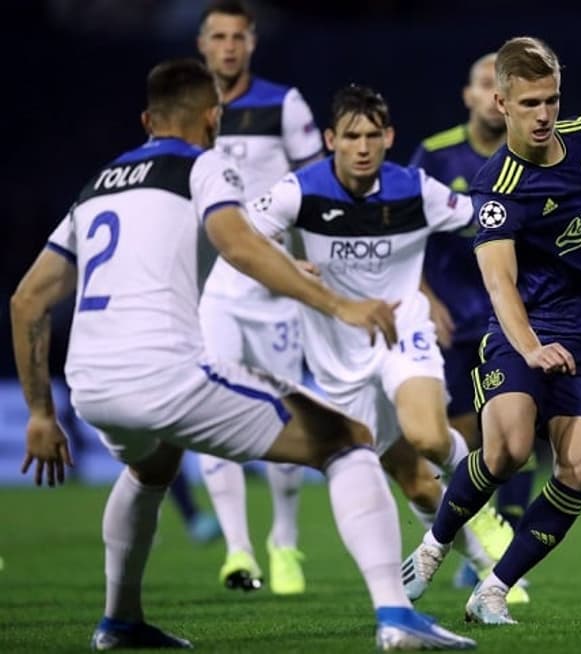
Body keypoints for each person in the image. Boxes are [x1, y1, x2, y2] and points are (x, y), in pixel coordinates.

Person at [10, 58, 474, 651]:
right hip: (168, 375)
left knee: (150, 469)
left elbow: (27, 301)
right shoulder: (207, 165)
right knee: (349, 439)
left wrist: (41, 413)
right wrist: (340, 305)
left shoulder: (100, 183)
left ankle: (120, 621)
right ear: (213, 117)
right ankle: (396, 616)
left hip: (92, 385)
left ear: (147, 120)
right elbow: (238, 245)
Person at [401, 36, 581, 625]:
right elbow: (500, 284)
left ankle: (494, 588)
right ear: (502, 101)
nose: (544, 115)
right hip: (524, 331)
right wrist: (532, 348)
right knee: (508, 449)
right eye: (531, 103)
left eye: (552, 101)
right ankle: (436, 543)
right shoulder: (496, 187)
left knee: (579, 468)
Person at [248, 83, 522, 599]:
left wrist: (554, 227)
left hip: (404, 332)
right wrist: (286, 262)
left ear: (389, 137)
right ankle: (487, 563)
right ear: (331, 139)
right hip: (337, 354)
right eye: (352, 136)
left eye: (374, 135)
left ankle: (483, 514)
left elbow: (485, 219)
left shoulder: (414, 188)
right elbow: (241, 236)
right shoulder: (297, 191)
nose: (363, 146)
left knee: (430, 437)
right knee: (416, 482)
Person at [195, 0, 324, 595]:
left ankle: (285, 540)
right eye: (217, 36)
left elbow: (320, 190)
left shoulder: (283, 103)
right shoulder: (187, 109)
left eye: (236, 37)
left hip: (277, 289)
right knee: (212, 412)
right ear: (202, 44)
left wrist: (310, 265)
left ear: (251, 44)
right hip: (217, 288)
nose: (227, 47)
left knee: (281, 417)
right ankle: (238, 550)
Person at [409, 53, 535, 590]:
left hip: (510, 318)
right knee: (464, 440)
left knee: (518, 433)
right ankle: (478, 544)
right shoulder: (435, 157)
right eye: (484, 84)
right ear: (470, 96)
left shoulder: (532, 157)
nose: (491, 95)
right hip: (452, 323)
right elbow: (400, 233)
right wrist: (422, 295)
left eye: (499, 86)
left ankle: (501, 552)